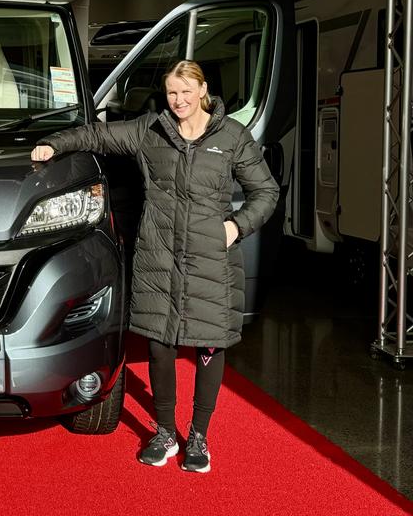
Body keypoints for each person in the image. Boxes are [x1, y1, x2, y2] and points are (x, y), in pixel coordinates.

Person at [31, 60, 278, 473]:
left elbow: (266, 191)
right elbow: (98, 135)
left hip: (210, 258)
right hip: (158, 256)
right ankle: (164, 432)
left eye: (186, 91)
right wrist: (54, 144)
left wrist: (236, 226)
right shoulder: (152, 130)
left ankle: (198, 436)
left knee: (209, 344)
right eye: (171, 93)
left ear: (203, 90)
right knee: (161, 345)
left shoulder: (232, 136)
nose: (178, 101)